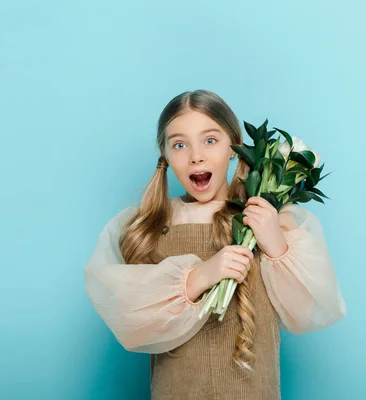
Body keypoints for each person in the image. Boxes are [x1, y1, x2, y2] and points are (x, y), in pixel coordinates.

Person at [83, 89, 346, 399]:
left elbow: (309, 309)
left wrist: (275, 243)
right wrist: (200, 276)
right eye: (179, 145)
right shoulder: (150, 224)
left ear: (234, 148)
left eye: (210, 140)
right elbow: (128, 314)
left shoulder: (266, 218)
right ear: (165, 155)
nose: (196, 155)